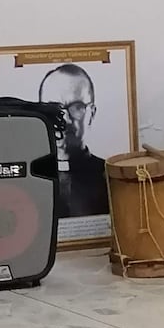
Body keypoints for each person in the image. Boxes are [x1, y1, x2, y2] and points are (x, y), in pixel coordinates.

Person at [38, 63, 109, 217]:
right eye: (53, 108)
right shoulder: (29, 178)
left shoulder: (111, 177)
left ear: (92, 113)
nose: (65, 120)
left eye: (76, 107)